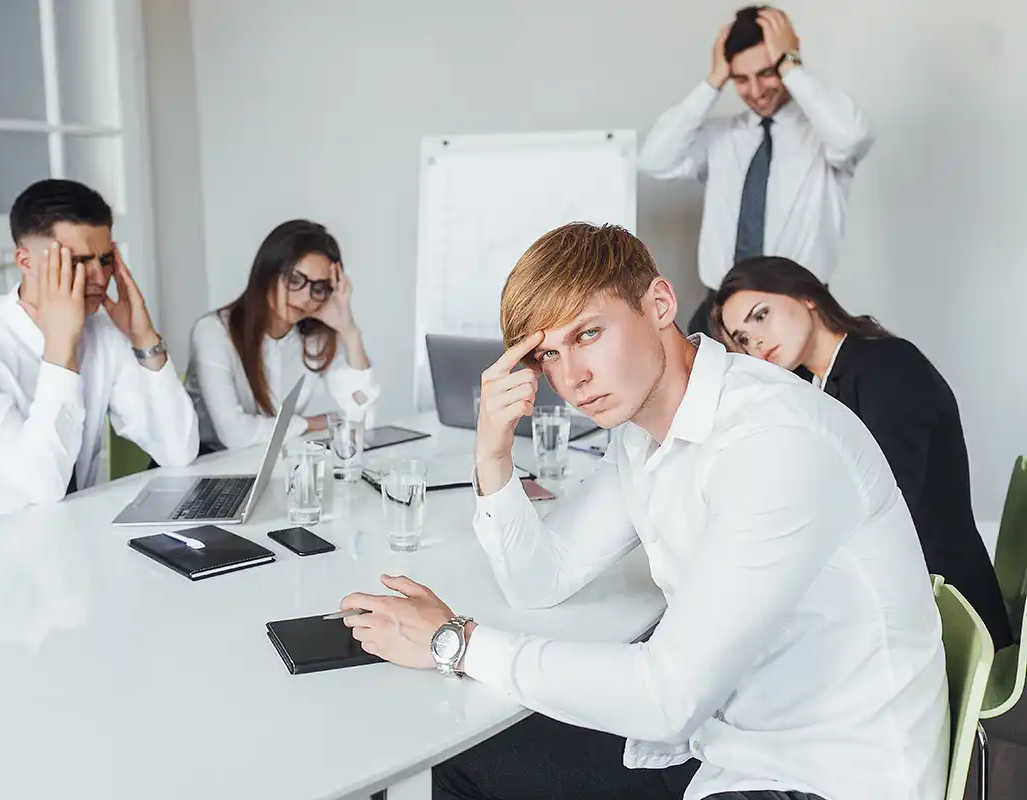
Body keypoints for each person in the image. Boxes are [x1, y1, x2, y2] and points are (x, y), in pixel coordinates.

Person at [339, 223, 947, 800]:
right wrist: (492, 452)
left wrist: (454, 642)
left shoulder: (774, 440)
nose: (571, 379)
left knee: (457, 758)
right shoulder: (642, 434)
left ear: (659, 304)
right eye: (547, 356)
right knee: (447, 765)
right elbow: (539, 579)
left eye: (587, 334)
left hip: (821, 774)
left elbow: (666, 696)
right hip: (717, 740)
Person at [713, 256, 1012, 649]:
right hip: (898, 594)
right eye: (742, 338)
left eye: (761, 315)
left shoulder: (886, 366)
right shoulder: (819, 385)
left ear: (806, 297)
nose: (756, 341)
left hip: (944, 611)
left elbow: (888, 507)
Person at [0, 179, 198, 539]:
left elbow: (177, 450)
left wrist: (144, 338)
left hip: (66, 531)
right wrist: (62, 346)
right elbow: (42, 483)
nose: (99, 277)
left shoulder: (103, 333)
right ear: (25, 261)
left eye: (106, 259)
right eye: (78, 261)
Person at [638, 6, 874, 336]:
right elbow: (654, 159)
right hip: (718, 313)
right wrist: (714, 81)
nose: (756, 90)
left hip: (797, 312)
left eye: (767, 72)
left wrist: (789, 63)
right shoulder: (723, 136)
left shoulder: (824, 137)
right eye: (741, 79)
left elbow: (853, 135)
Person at [185, 219, 379, 452]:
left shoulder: (314, 338)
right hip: (208, 463)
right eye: (295, 280)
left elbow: (361, 418)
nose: (306, 297)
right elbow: (235, 435)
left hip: (268, 459)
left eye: (318, 288)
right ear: (267, 273)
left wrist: (349, 331)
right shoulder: (213, 332)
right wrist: (307, 424)